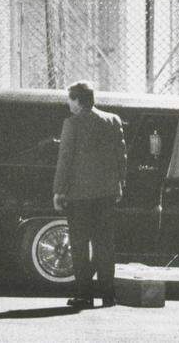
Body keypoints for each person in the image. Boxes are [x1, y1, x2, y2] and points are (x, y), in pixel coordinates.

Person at [52, 81, 126, 309]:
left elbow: (65, 160)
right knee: (105, 244)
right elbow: (121, 156)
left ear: (77, 100)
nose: (68, 103)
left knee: (80, 245)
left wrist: (59, 191)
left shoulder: (72, 123)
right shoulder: (112, 120)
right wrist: (119, 184)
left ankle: (84, 295)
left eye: (69, 99)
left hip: (79, 196)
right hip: (106, 194)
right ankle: (108, 295)